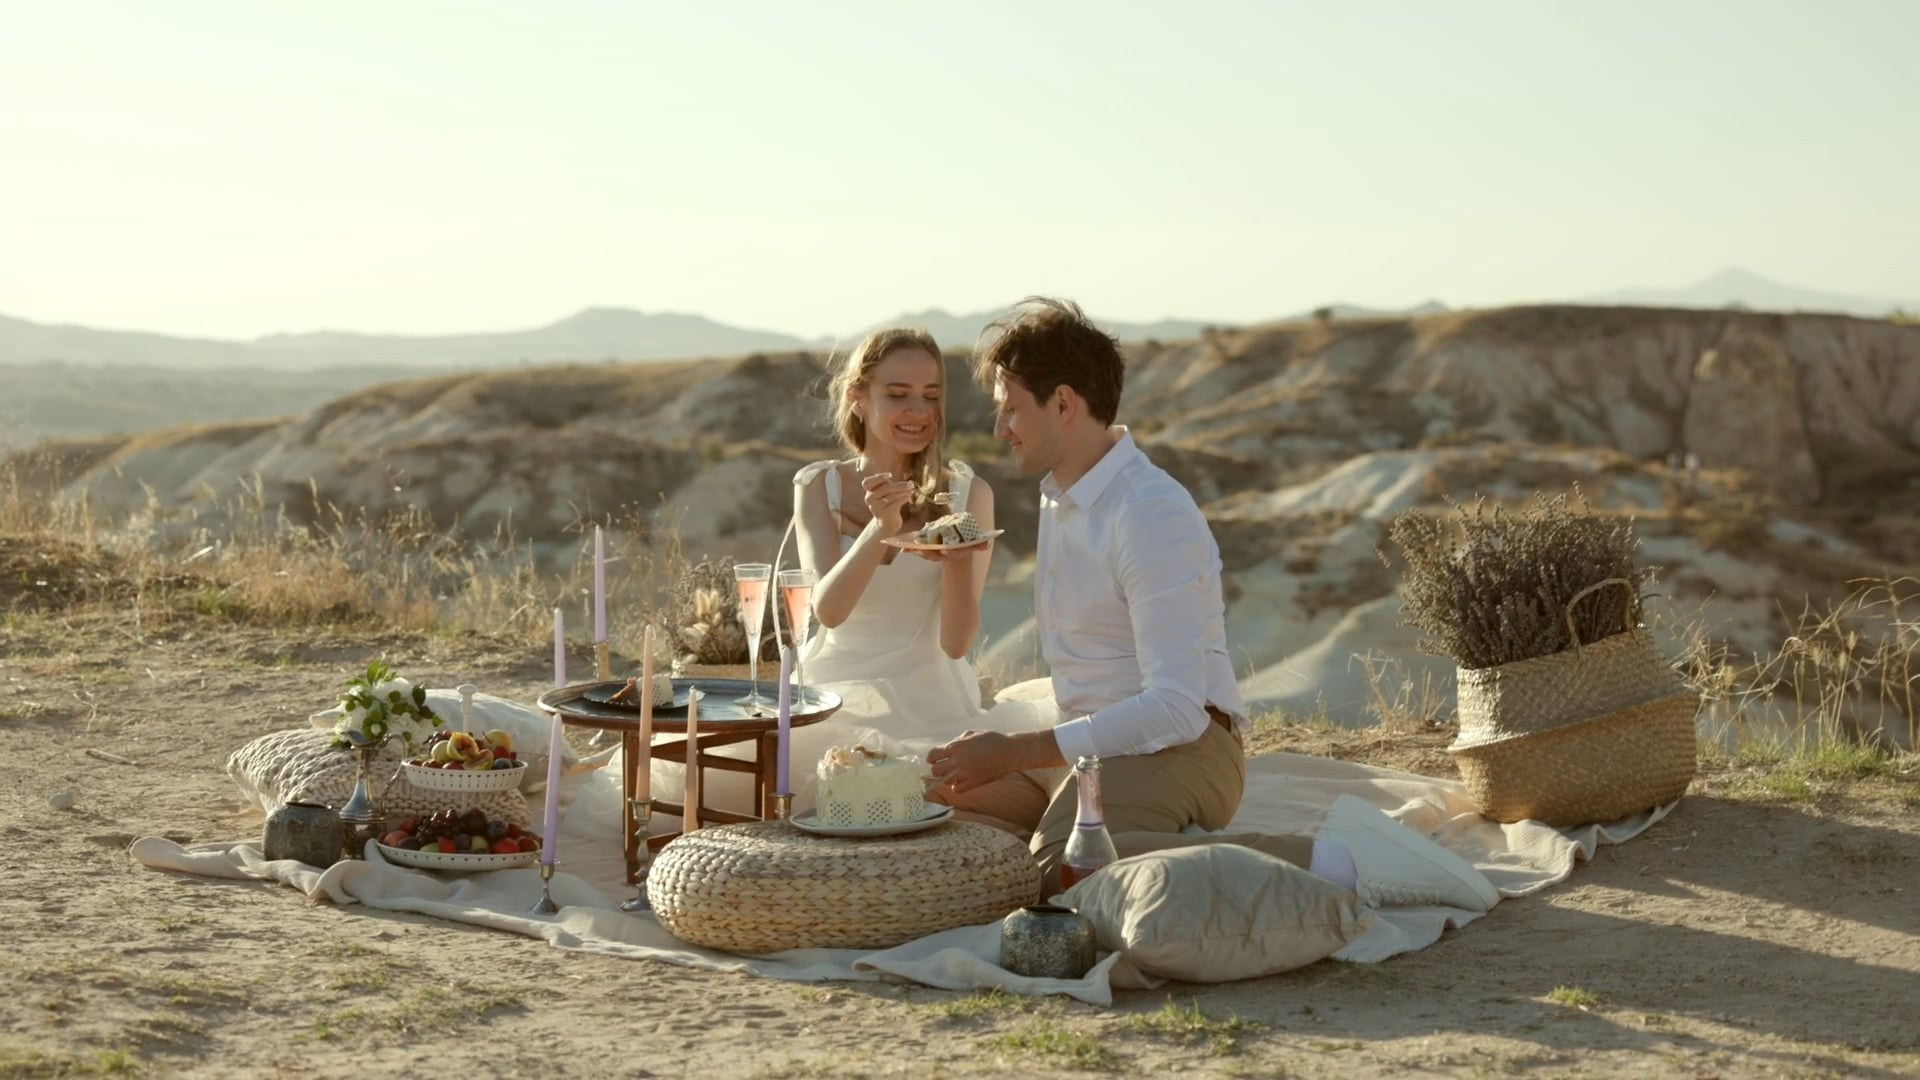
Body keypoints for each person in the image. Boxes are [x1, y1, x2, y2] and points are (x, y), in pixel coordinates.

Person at [925, 298, 1500, 911]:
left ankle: (1347, 860)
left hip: (1185, 749)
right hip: (1094, 745)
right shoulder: (1060, 496)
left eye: (1011, 409)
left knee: (1061, 869)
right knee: (933, 795)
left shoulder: (1146, 512)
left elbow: (1176, 709)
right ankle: (1140, 833)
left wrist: (1017, 750)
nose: (999, 429)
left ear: (1063, 404)